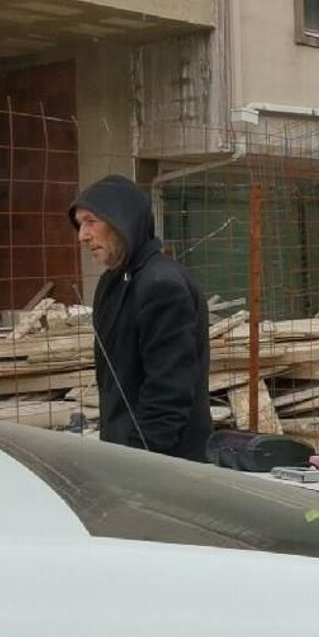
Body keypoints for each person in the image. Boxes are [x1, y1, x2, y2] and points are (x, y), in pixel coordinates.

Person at [70, 175, 212, 460]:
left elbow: (168, 393)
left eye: (91, 221)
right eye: (80, 223)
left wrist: (136, 462)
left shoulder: (161, 285)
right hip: (128, 455)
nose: (82, 236)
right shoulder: (114, 282)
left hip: (164, 464)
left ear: (122, 221)